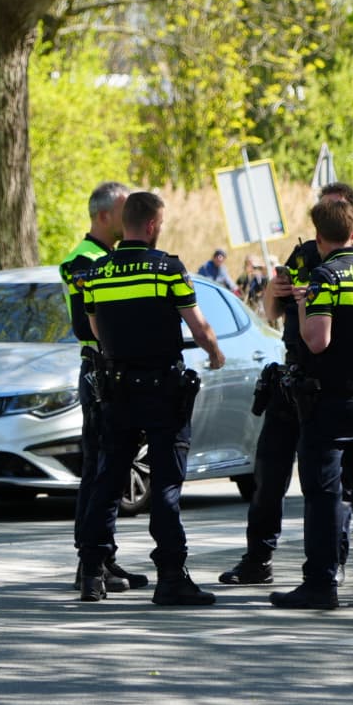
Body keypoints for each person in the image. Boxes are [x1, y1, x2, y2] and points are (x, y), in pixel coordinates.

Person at [217, 182, 353, 587]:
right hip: (292, 379)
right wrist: (274, 291)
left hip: (334, 387)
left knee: (335, 485)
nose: (324, 220)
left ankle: (332, 563)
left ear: (352, 217)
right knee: (268, 475)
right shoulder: (304, 254)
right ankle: (258, 558)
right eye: (321, 211)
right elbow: (271, 314)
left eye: (334, 211)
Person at [77, 191, 225, 606]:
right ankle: (171, 576)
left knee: (107, 479)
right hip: (162, 388)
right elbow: (197, 325)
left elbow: (95, 330)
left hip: (117, 388)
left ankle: (92, 573)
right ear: (154, 225)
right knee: (166, 483)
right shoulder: (167, 269)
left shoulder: (98, 272)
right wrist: (214, 353)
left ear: (125, 222)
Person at [270, 198, 353, 611]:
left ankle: (321, 583)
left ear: (320, 237)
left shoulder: (325, 276)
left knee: (324, 495)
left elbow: (317, 340)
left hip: (327, 400)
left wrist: (305, 301)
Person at [59, 181, 149, 594]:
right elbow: (85, 323)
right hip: (99, 373)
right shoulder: (83, 260)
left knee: (111, 471)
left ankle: (103, 556)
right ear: (103, 215)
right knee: (99, 470)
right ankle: (89, 561)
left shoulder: (110, 258)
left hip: (117, 373)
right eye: (123, 207)